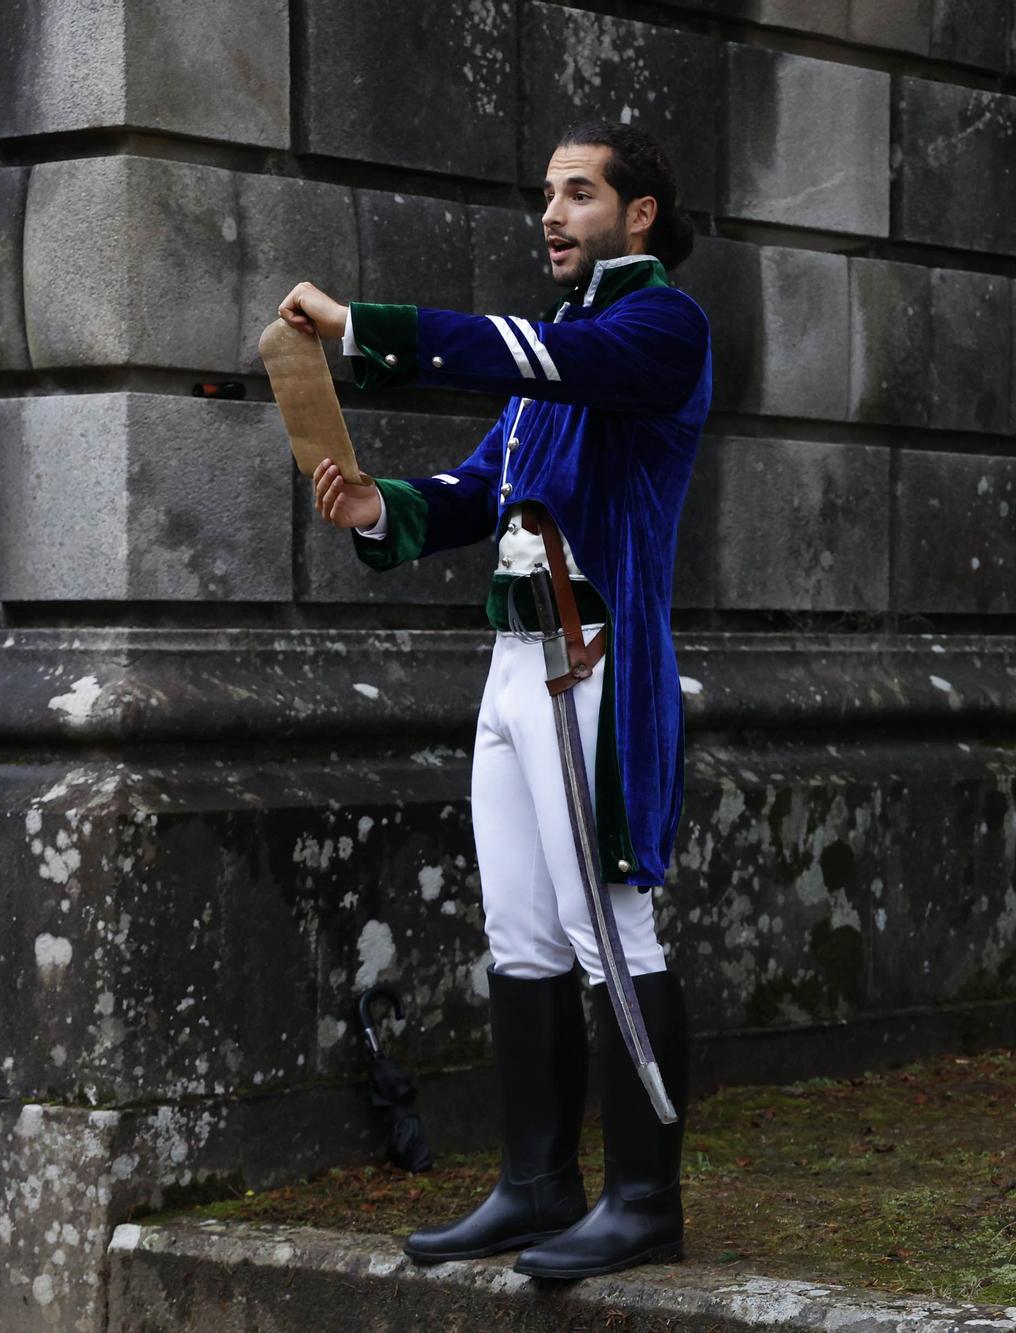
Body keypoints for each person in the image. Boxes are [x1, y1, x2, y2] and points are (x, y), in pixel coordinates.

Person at [277, 120, 710, 1281]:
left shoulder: (658, 325)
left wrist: (365, 329)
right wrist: (374, 507)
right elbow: (479, 488)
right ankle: (534, 1186)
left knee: (609, 933)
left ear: (638, 215)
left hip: (594, 660)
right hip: (514, 664)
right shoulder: (551, 352)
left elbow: (521, 357)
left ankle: (641, 1200)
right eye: (548, 195)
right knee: (518, 934)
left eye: (579, 194)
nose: (552, 214)